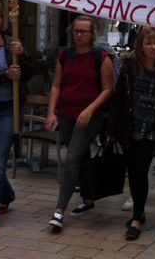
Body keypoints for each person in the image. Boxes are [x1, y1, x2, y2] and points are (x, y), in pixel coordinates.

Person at [107, 28, 155, 240]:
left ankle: (137, 218)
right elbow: (118, 98)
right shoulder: (129, 67)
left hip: (152, 130)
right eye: (149, 43)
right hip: (130, 127)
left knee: (140, 171)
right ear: (140, 46)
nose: (154, 47)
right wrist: (111, 129)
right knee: (133, 172)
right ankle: (141, 211)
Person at [46, 15, 114, 230]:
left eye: (84, 31)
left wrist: (90, 109)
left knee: (72, 159)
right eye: (76, 30)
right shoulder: (65, 55)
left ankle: (59, 211)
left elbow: (107, 89)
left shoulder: (101, 57)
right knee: (82, 158)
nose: (79, 34)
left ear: (91, 33)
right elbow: (56, 85)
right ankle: (89, 199)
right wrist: (51, 112)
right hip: (67, 114)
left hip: (89, 117)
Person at [0, 0, 32, 234]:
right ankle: (6, 194)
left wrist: (22, 57)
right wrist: (2, 73)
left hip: (6, 109)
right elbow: (4, 74)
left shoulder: (10, 44)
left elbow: (26, 74)